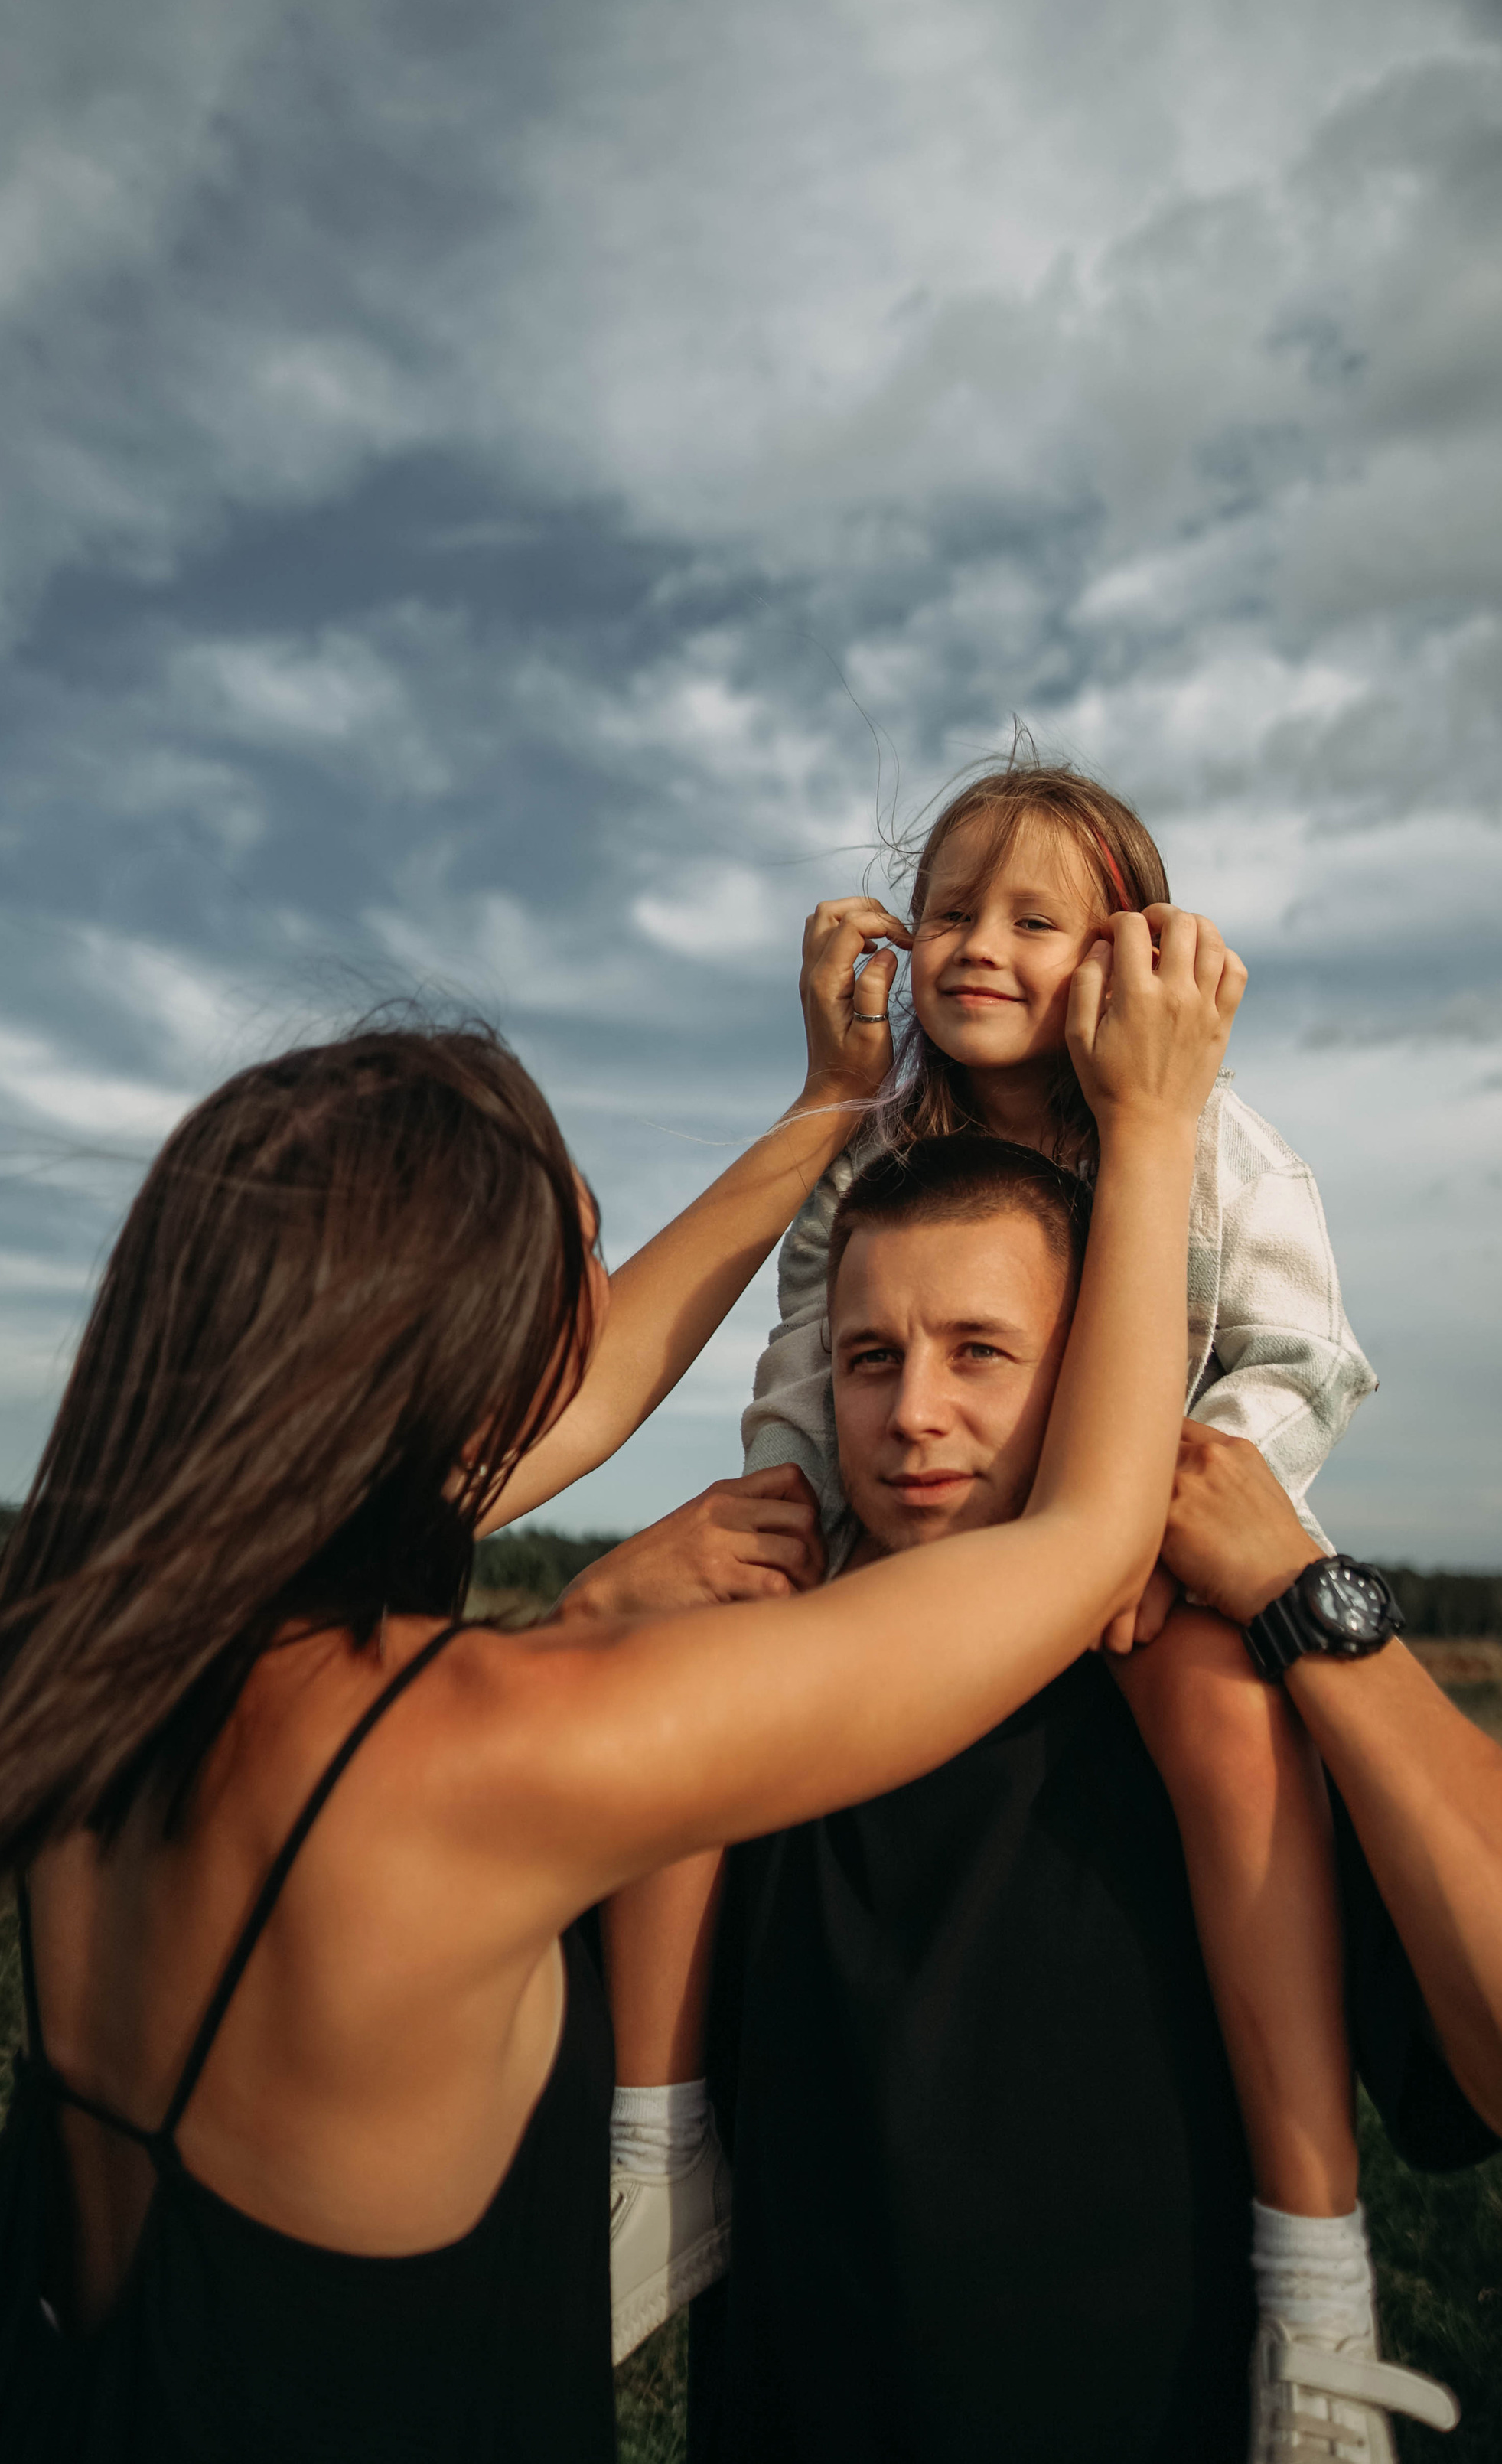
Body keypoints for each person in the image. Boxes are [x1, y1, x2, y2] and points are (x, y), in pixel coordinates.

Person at [0, 891, 1241, 2461]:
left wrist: (828, 1112)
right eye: (579, 1255)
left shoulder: (91, 1626)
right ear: (450, 1351)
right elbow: (1083, 1538)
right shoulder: (486, 1753)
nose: (602, 1303)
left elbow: (573, 1396)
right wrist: (1155, 1119)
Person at [571, 1137, 1502, 2464]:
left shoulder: (1229, 1728)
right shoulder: (744, 1717)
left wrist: (1310, 1602)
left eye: (982, 1353)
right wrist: (588, 1620)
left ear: (1095, 1380)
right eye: (870, 1358)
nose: (913, 1414)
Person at [592, 756, 1386, 2378]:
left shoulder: (1211, 1139)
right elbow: (806, 1355)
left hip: (1150, 1548)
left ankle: (1315, 2276)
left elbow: (1296, 1361)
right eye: (951, 908)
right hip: (924, 1548)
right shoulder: (874, 1144)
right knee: (707, 1673)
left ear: (1129, 950)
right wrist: (791, 1505)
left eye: (1037, 919)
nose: (979, 945)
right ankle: (657, 2142)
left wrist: (1169, 1514)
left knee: (1223, 1722)